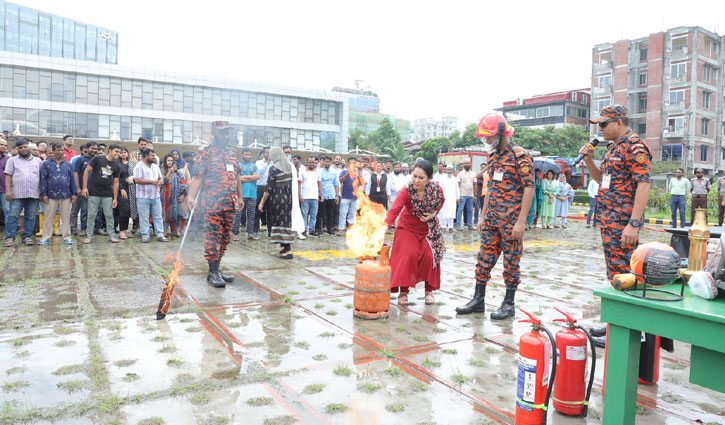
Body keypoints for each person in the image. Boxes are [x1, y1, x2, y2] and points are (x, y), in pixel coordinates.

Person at [579, 105, 651, 346]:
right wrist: (589, 160)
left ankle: (632, 330)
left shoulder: (635, 146)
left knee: (627, 273)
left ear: (619, 122)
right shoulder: (612, 148)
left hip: (623, 223)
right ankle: (615, 324)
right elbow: (602, 179)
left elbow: (643, 184)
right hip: (609, 221)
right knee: (614, 273)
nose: (600, 129)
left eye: (604, 124)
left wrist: (633, 223)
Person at [456, 113, 534, 319]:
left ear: (501, 133)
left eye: (489, 137)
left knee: (511, 263)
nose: (486, 141)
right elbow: (490, 187)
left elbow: (529, 188)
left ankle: (508, 304)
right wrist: (482, 217)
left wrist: (521, 221)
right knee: (483, 260)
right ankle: (478, 300)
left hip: (511, 221)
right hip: (491, 219)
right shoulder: (493, 156)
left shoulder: (520, 155)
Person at [185, 121, 243, 288]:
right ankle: (212, 272)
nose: (226, 135)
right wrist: (190, 197)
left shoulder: (233, 152)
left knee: (225, 237)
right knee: (213, 237)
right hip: (212, 203)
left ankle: (217, 269)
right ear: (214, 133)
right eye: (222, 132)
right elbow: (198, 177)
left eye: (227, 132)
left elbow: (237, 176)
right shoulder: (205, 152)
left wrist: (240, 196)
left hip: (230, 202)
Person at [385, 160, 445, 306]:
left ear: (429, 179)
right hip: (407, 228)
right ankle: (403, 292)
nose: (416, 180)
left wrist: (433, 214)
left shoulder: (436, 189)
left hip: (427, 229)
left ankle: (429, 291)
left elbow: (442, 201)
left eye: (421, 177)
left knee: (430, 256)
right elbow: (394, 210)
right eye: (414, 176)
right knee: (408, 256)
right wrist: (384, 227)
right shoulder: (406, 191)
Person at [257, 147, 295, 259]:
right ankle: (283, 247)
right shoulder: (289, 167)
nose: (270, 156)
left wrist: (261, 203)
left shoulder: (273, 168)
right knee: (286, 222)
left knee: (280, 222)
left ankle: (287, 250)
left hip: (278, 200)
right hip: (288, 199)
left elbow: (269, 188)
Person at [4, 139, 42, 246]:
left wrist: (42, 193)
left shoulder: (38, 161)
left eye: (25, 147)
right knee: (13, 215)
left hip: (34, 194)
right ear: (17, 149)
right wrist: (8, 191)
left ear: (28, 147)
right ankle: (10, 237)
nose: (23, 149)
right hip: (17, 194)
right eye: (20, 147)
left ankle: (27, 237)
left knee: (30, 216)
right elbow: (8, 176)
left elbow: (42, 177)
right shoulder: (12, 160)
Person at [82, 144, 122, 244]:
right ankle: (89, 236)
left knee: (109, 215)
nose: (118, 154)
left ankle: (112, 235)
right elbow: (86, 171)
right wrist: (84, 188)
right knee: (91, 215)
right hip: (94, 192)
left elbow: (116, 182)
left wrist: (115, 198)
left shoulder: (117, 165)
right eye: (116, 151)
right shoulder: (98, 159)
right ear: (110, 150)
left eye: (119, 152)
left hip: (107, 194)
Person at [38, 142, 77, 245]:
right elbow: (43, 179)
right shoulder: (46, 164)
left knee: (65, 217)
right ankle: (46, 237)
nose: (60, 152)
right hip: (50, 195)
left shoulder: (68, 164)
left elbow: (72, 179)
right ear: (53, 151)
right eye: (58, 150)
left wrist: (74, 193)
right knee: (48, 216)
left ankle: (67, 237)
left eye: (61, 150)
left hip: (66, 195)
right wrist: (43, 194)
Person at [133, 149, 168, 243]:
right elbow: (137, 180)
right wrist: (152, 182)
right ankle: (145, 235)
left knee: (158, 216)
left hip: (155, 196)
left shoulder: (155, 166)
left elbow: (160, 178)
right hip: (142, 197)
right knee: (144, 217)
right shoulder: (138, 166)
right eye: (152, 156)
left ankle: (160, 234)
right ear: (146, 156)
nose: (154, 157)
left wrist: (160, 181)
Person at [71, 142, 97, 236]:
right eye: (92, 148)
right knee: (84, 210)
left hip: (95, 190)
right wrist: (78, 188)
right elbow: (76, 173)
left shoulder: (98, 159)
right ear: (87, 148)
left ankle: (93, 228)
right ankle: (83, 229)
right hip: (83, 190)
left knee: (94, 211)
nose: (94, 150)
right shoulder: (80, 159)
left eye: (95, 149)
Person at [232, 147, 259, 241]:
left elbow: (257, 176)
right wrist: (251, 177)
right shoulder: (238, 165)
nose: (248, 156)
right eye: (246, 154)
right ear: (242, 155)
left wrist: (244, 177)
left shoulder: (253, 165)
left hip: (252, 194)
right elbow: (237, 178)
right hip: (240, 194)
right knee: (238, 215)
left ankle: (250, 234)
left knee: (251, 215)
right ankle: (235, 234)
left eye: (249, 154)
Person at [161, 154, 186, 237]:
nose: (170, 162)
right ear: (165, 161)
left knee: (178, 214)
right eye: (168, 160)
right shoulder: (162, 171)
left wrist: (183, 194)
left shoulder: (178, 172)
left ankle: (177, 230)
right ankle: (165, 230)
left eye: (171, 160)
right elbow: (163, 181)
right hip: (166, 197)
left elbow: (183, 183)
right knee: (166, 214)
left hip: (177, 197)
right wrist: (170, 172)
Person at [128, 137, 150, 236]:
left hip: (146, 184)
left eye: (145, 144)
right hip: (134, 184)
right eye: (142, 144)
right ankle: (135, 225)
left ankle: (146, 227)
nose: (143, 146)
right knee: (134, 205)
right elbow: (133, 167)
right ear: (138, 145)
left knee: (145, 205)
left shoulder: (150, 155)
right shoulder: (133, 154)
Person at [299, 156, 323, 237]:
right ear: (307, 163)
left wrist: (321, 195)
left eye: (313, 162)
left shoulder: (318, 172)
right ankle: (304, 230)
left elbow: (319, 184)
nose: (312, 164)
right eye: (310, 162)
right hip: (305, 197)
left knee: (313, 215)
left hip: (315, 197)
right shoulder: (302, 171)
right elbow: (299, 184)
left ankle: (312, 230)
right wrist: (300, 195)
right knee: (304, 215)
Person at [337, 157, 360, 235]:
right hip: (345, 196)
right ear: (347, 164)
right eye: (350, 163)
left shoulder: (358, 173)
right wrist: (348, 173)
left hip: (355, 197)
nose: (352, 164)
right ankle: (340, 229)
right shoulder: (344, 172)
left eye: (353, 163)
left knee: (352, 214)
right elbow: (341, 180)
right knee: (343, 213)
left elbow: (361, 184)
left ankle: (350, 229)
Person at [113, 147, 131, 240]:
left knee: (128, 211)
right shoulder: (117, 164)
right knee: (123, 210)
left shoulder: (130, 164)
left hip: (131, 189)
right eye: (121, 152)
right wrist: (121, 189)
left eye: (125, 152)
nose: (123, 154)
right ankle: (121, 231)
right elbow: (115, 179)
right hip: (121, 190)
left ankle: (125, 230)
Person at [319, 156, 340, 235]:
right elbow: (318, 183)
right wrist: (320, 194)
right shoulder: (320, 171)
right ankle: (321, 228)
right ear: (323, 162)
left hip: (331, 195)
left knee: (330, 213)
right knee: (321, 213)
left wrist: (337, 195)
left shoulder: (334, 172)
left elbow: (336, 184)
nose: (327, 163)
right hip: (322, 194)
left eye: (328, 162)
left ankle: (329, 229)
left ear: (331, 162)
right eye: (325, 161)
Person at [456, 159, 476, 230]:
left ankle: (470, 225)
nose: (467, 164)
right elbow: (458, 185)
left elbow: (474, 184)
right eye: (465, 163)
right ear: (464, 165)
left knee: (470, 210)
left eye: (468, 163)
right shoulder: (460, 174)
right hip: (462, 194)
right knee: (460, 209)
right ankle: (458, 225)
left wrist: (475, 195)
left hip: (471, 194)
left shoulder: (473, 173)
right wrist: (458, 195)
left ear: (470, 164)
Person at [255, 147, 271, 233]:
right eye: (267, 153)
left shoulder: (274, 163)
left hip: (270, 188)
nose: (268, 155)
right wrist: (267, 163)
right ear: (263, 154)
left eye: (270, 153)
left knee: (270, 209)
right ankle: (255, 231)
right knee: (258, 208)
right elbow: (259, 172)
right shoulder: (258, 162)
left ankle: (270, 231)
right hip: (260, 187)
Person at [438, 165, 459, 230]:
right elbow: (440, 188)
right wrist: (439, 197)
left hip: (452, 198)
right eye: (448, 169)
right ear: (446, 170)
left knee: (452, 212)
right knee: (443, 212)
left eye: (450, 170)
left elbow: (457, 189)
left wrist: (458, 197)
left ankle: (450, 226)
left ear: (452, 170)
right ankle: (443, 226)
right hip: (444, 198)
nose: (449, 171)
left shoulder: (455, 179)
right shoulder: (442, 179)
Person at [0, 137, 9, 224]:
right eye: (1, 144)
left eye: (5, 145)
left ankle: (9, 232)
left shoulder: (8, 159)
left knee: (7, 210)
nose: (3, 146)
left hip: (4, 189)